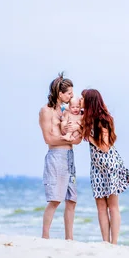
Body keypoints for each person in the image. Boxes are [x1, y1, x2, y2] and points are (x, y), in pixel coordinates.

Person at [81, 88, 129, 244]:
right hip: (97, 167)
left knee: (112, 206)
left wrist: (89, 136)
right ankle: (105, 242)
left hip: (110, 165)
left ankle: (114, 243)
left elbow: (105, 147)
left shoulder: (104, 119)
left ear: (90, 101)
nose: (80, 101)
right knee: (100, 206)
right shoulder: (86, 119)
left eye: (83, 99)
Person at [38, 73, 82, 240]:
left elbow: (76, 141)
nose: (72, 96)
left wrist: (78, 133)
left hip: (69, 157)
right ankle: (45, 236)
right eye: (69, 93)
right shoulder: (45, 111)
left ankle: (69, 238)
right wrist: (63, 138)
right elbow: (48, 139)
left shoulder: (66, 111)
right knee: (55, 200)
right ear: (60, 93)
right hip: (56, 157)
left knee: (71, 200)